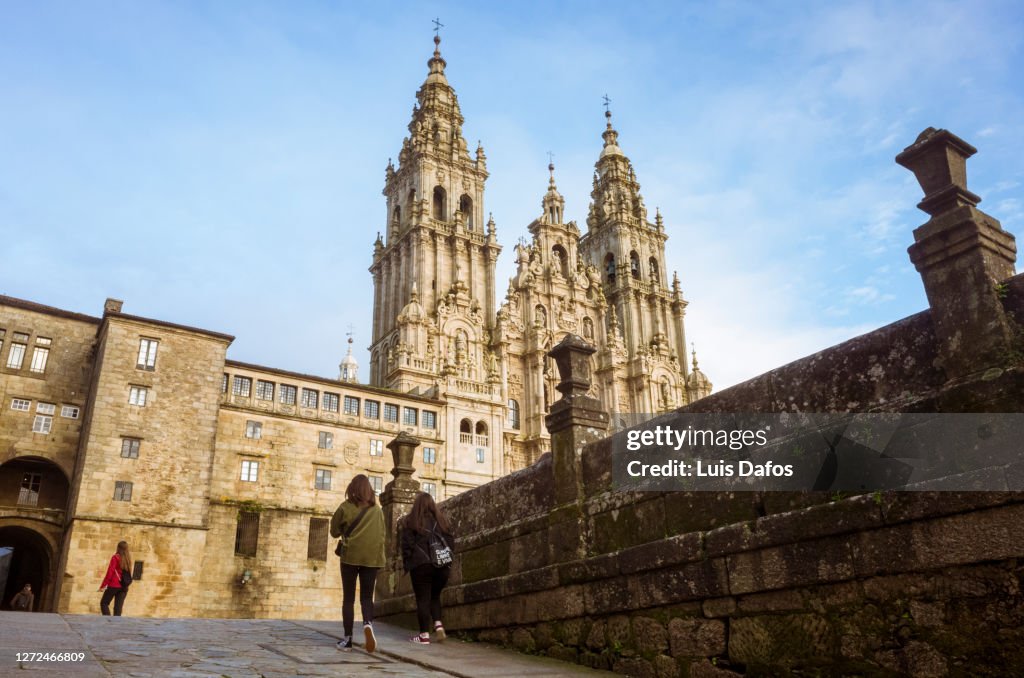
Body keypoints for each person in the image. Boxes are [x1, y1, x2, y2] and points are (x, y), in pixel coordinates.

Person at [330, 474, 385, 652]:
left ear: (352, 489)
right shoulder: (377, 510)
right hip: (372, 558)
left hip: (350, 557)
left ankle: (348, 640)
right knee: (367, 598)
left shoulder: (345, 507)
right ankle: (368, 624)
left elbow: (334, 532)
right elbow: (383, 534)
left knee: (348, 598)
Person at [401, 492, 455, 645]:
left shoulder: (411, 521)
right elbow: (451, 543)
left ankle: (424, 635)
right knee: (435, 596)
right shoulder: (442, 520)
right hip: (442, 565)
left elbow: (407, 546)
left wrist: (408, 563)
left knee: (423, 599)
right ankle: (438, 624)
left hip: (421, 565)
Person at [98, 540, 132, 616]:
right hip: (124, 586)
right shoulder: (128, 559)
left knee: (104, 603)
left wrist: (103, 586)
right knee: (118, 609)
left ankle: (108, 620)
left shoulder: (115, 557)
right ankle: (116, 625)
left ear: (118, 548)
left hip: (114, 585)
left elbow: (110, 572)